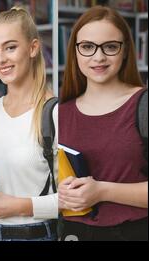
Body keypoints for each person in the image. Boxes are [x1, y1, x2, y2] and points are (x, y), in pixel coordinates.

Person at [0, 7, 58, 241]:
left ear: (33, 48)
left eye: (10, 47)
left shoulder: (57, 113)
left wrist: (19, 206)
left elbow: (76, 200)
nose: (0, 60)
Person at [58, 6, 148, 241]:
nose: (98, 57)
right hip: (71, 234)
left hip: (133, 233)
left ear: (125, 50)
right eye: (87, 47)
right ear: (75, 52)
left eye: (110, 47)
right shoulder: (59, 112)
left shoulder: (143, 104)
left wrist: (103, 191)